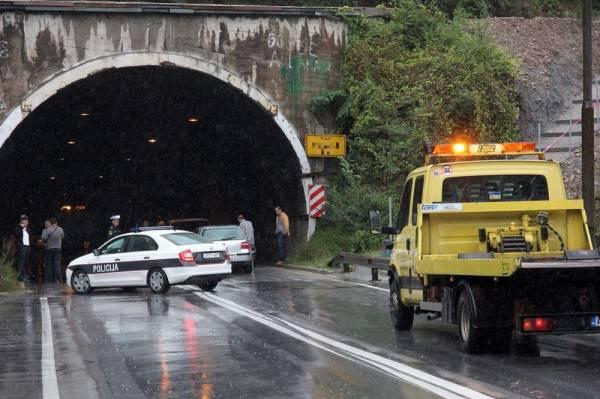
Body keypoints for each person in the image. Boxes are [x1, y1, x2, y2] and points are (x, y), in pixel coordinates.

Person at [41, 217, 64, 283]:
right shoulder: (60, 229)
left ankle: (49, 280)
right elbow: (62, 237)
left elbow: (43, 238)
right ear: (56, 222)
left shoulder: (46, 230)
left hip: (49, 249)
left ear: (50, 223)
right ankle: (57, 279)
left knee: (49, 265)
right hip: (58, 249)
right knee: (57, 264)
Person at [15, 214, 31, 282]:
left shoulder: (28, 229)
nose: (25, 222)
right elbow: (17, 234)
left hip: (27, 246)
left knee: (26, 262)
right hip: (21, 246)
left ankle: (26, 276)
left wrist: (25, 228)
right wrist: (21, 227)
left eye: (26, 220)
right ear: (21, 221)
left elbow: (30, 235)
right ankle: (20, 276)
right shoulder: (18, 228)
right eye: (23, 220)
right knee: (21, 261)